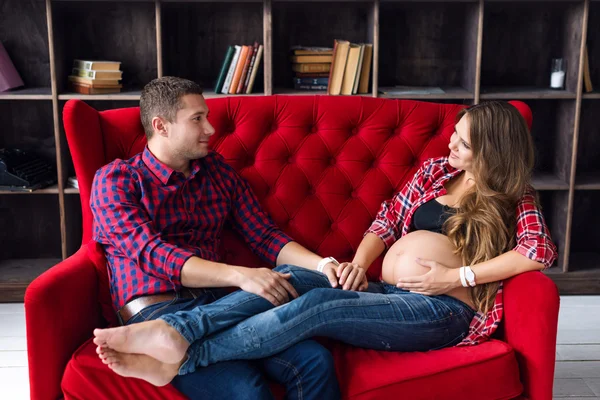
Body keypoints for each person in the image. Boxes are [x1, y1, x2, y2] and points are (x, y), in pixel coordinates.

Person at [93, 101, 558, 388]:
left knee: (316, 305)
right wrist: (355, 265)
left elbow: (538, 252)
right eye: (455, 136)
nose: (451, 147)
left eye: (465, 145)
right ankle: (180, 330)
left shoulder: (514, 196)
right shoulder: (437, 171)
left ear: (493, 152)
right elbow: (388, 219)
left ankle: (183, 352)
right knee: (295, 278)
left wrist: (454, 277)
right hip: (392, 293)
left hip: (442, 312)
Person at [88, 76, 368, 399]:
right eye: (197, 119)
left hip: (222, 304)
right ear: (161, 126)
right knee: (246, 390)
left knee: (314, 361)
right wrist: (241, 276)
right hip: (156, 311)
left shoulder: (216, 171)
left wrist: (324, 267)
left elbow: (265, 236)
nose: (210, 129)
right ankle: (167, 340)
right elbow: (155, 253)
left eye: (206, 117)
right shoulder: (117, 179)